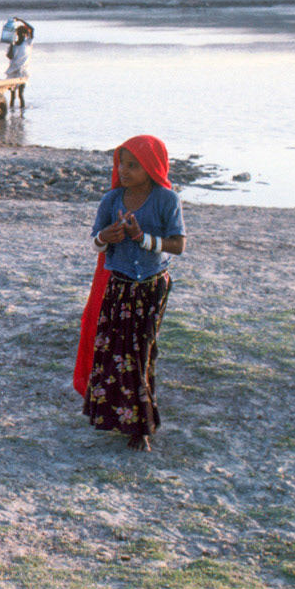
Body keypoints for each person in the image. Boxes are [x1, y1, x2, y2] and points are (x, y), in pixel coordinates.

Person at [73, 135, 186, 452]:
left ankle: (141, 428)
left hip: (151, 286)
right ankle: (114, 417)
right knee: (113, 353)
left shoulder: (167, 201)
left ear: (151, 167)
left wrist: (143, 238)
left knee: (140, 352)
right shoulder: (111, 201)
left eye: (133, 165)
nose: (124, 170)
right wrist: (105, 237)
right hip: (119, 284)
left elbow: (178, 245)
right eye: (122, 163)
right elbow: (95, 242)